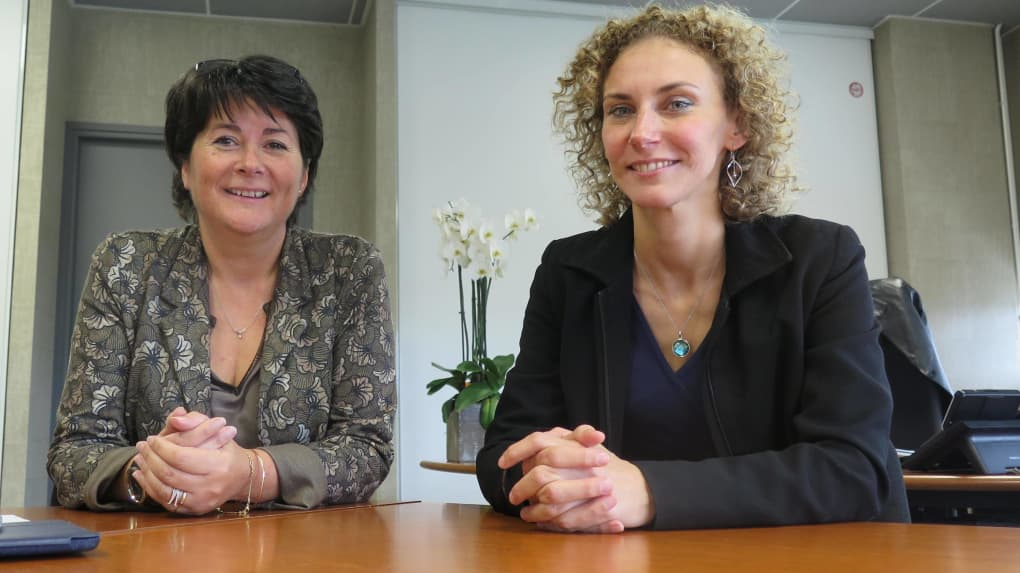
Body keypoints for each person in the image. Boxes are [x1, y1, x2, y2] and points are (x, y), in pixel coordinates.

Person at [476, 4, 909, 532]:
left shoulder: (821, 258)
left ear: (737, 125)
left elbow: (854, 468)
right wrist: (551, 471)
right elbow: (502, 455)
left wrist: (649, 492)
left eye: (676, 104)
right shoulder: (567, 271)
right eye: (620, 110)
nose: (642, 132)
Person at [47, 55, 395, 515]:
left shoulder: (348, 270)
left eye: (275, 144)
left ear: (304, 174)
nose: (250, 164)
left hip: (305, 547)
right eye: (226, 140)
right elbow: (73, 451)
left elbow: (367, 448)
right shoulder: (126, 265)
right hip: (154, 545)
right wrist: (149, 471)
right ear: (185, 168)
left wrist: (249, 473)